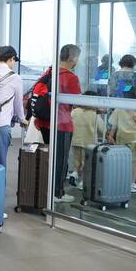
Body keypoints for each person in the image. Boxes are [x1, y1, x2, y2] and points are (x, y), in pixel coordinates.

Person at [35, 44, 82, 202]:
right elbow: (76, 102)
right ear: (73, 59)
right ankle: (57, 193)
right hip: (62, 124)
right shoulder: (71, 77)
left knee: (50, 157)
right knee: (60, 161)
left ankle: (47, 189)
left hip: (44, 122)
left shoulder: (50, 71)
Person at [108, 100, 136, 194]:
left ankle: (120, 182)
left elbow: (114, 124)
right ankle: (131, 184)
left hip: (122, 138)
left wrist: (110, 135)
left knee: (121, 162)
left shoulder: (120, 105)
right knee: (133, 162)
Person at [69, 91, 106, 188]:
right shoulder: (94, 114)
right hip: (89, 143)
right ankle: (83, 183)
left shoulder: (75, 111)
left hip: (76, 140)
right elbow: (102, 129)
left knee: (77, 162)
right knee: (86, 163)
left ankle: (74, 174)